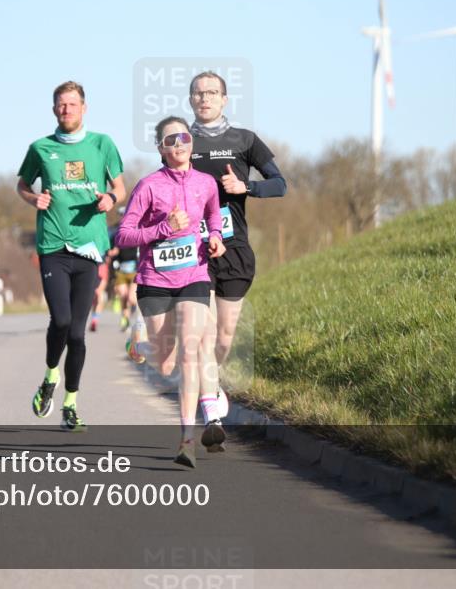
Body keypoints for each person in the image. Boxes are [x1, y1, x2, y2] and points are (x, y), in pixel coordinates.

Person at [115, 116, 226, 468]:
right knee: (164, 365)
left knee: (191, 350)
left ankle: (187, 440)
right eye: (170, 140)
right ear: (161, 148)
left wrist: (216, 239)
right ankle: (139, 342)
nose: (179, 143)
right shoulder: (148, 186)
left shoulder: (206, 183)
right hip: (155, 280)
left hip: (194, 274)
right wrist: (162, 228)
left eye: (184, 137)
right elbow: (124, 235)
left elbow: (214, 218)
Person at [17, 80, 126, 431]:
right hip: (53, 246)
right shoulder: (40, 147)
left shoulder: (102, 144)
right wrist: (33, 198)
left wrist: (111, 199)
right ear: (54, 110)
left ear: (84, 108)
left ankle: (70, 402)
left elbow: (120, 188)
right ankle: (50, 376)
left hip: (90, 247)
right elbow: (21, 184)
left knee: (78, 335)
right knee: (60, 321)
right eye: (61, 105)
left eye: (73, 104)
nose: (67, 110)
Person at [188, 71, 287, 427]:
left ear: (224, 99)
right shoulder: (180, 141)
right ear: (190, 100)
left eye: (212, 92)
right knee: (204, 332)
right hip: (195, 252)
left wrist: (246, 187)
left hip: (234, 250)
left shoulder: (245, 140)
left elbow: (280, 184)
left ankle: (212, 386)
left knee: (225, 336)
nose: (205, 98)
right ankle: (210, 407)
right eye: (198, 93)